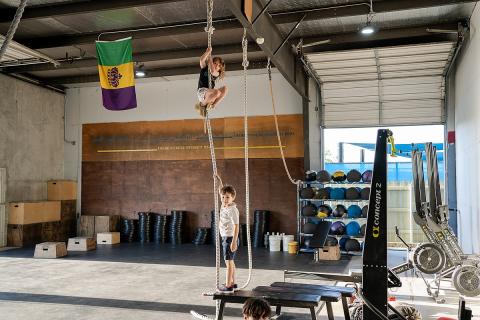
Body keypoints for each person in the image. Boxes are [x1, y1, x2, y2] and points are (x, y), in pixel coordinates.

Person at [215, 174, 239, 292]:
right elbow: (221, 190)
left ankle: (228, 286)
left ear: (233, 198)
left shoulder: (232, 209)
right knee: (230, 261)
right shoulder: (224, 205)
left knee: (228, 262)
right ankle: (232, 282)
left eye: (227, 197)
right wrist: (220, 180)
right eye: (223, 197)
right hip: (226, 237)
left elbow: (236, 226)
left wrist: (233, 242)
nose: (225, 199)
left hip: (230, 238)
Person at [195, 47, 227, 117]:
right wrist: (207, 53)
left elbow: (212, 71)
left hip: (209, 93)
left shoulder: (216, 73)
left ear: (219, 69)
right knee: (217, 92)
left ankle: (213, 105)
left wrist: (209, 56)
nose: (216, 66)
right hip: (202, 92)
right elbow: (201, 60)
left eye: (219, 66)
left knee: (225, 88)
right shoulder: (205, 68)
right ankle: (202, 105)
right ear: (211, 63)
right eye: (215, 63)